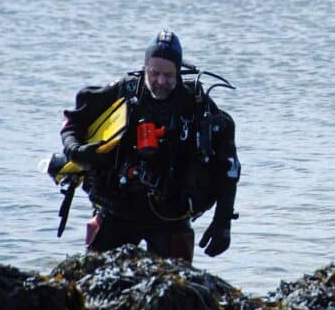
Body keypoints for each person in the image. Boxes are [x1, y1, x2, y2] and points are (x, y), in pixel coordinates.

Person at [59, 30, 240, 262]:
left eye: (168, 75)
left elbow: (229, 167)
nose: (161, 82)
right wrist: (75, 150)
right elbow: (73, 122)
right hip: (118, 210)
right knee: (95, 278)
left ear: (178, 73)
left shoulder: (196, 107)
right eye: (154, 73)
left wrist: (222, 221)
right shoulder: (124, 92)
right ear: (145, 67)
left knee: (175, 290)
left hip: (171, 217)